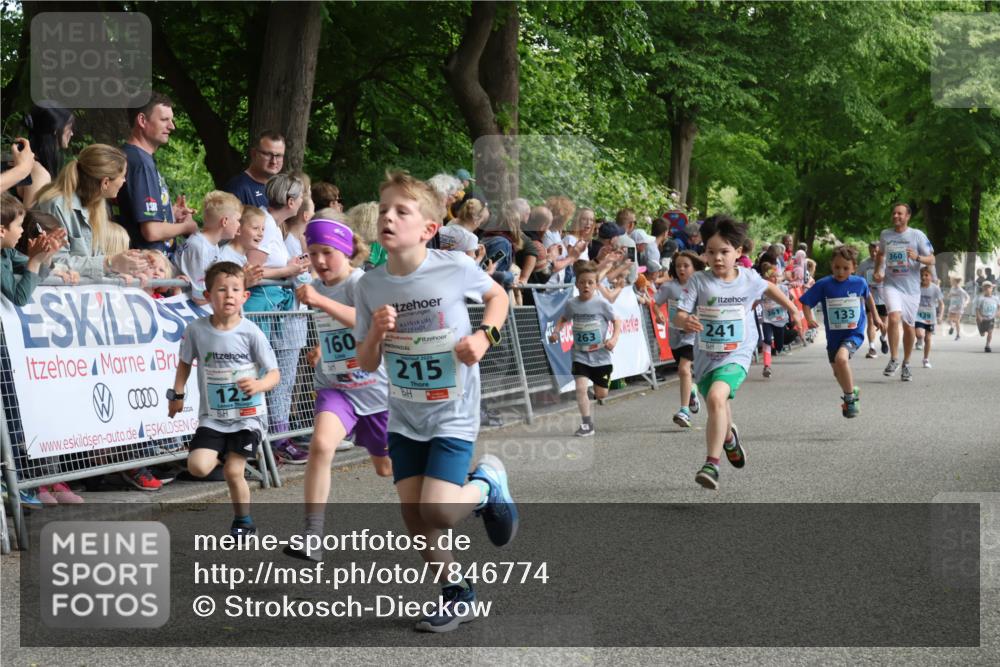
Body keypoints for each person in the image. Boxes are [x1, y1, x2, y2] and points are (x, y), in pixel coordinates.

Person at [355, 171, 516, 633]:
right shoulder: (369, 286)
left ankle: (487, 484)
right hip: (405, 415)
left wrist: (485, 336)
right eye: (384, 209)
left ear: (427, 228)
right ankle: (456, 593)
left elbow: (498, 296)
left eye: (401, 211)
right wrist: (376, 332)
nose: (388, 216)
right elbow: (367, 363)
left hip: (452, 409)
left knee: (439, 511)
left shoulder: (453, 266)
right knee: (414, 515)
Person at [284, 219, 392, 562]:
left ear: (346, 251)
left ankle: (472, 484)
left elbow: (369, 322)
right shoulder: (317, 286)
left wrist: (320, 301)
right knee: (320, 446)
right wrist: (322, 349)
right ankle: (312, 536)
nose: (319, 260)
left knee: (386, 469)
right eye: (312, 253)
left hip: (375, 391)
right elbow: (335, 330)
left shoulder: (361, 283)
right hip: (336, 387)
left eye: (327, 252)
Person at [674, 215, 800, 490]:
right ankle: (729, 438)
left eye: (724, 252)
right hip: (707, 355)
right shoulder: (699, 282)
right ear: (704, 253)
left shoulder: (748, 278)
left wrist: (793, 309)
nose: (717, 258)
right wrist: (686, 321)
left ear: (738, 252)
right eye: (711, 251)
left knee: (718, 397)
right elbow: (679, 315)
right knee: (716, 405)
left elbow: (769, 288)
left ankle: (712, 464)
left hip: (737, 353)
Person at [168, 262, 279, 537]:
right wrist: (177, 393)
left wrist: (258, 384)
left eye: (235, 290)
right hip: (213, 417)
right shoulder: (196, 329)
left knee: (233, 471)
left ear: (245, 296)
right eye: (221, 289)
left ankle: (244, 523)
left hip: (248, 417)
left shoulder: (251, 331)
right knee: (198, 466)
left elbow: (274, 373)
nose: (228, 295)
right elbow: (184, 363)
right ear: (207, 296)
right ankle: (222, 451)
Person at [244, 173, 312, 463]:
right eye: (300, 198)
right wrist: (287, 272)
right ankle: (268, 441)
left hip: (275, 310)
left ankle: (274, 439)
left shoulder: (275, 225)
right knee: (267, 375)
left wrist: (290, 267)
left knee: (276, 376)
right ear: (291, 201)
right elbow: (250, 270)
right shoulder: (267, 224)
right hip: (262, 309)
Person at [34, 144, 151, 281]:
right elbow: (55, 263)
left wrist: (120, 271)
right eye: (123, 176)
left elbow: (94, 264)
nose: (124, 181)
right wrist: (110, 263)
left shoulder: (97, 205)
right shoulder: (56, 205)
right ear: (106, 182)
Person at [798, 245, 883, 418]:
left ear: (854, 267)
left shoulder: (859, 282)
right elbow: (806, 302)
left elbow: (868, 298)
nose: (841, 271)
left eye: (845, 268)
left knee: (841, 359)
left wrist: (876, 317)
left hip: (853, 333)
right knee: (837, 372)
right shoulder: (824, 285)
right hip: (834, 336)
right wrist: (809, 318)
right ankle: (852, 389)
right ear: (831, 265)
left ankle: (850, 399)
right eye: (837, 267)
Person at [114, 93, 196, 256]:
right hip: (150, 265)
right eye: (164, 120)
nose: (172, 126)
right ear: (142, 120)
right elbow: (151, 231)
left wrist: (169, 214)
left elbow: (137, 215)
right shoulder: (141, 163)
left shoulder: (135, 157)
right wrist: (187, 227)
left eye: (171, 120)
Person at [548, 260, 621, 437]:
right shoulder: (572, 304)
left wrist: (614, 338)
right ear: (576, 284)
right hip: (579, 354)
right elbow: (564, 318)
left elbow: (617, 321)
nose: (586, 286)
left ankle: (600, 387)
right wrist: (557, 331)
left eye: (590, 282)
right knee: (580, 389)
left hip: (601, 356)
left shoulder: (602, 304)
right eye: (582, 282)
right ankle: (587, 425)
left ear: (596, 285)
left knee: (601, 394)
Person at [873, 203, 934, 382]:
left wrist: (917, 257)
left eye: (900, 213)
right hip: (891, 284)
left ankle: (906, 363)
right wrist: (878, 271)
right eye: (894, 213)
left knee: (909, 327)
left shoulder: (917, 235)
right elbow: (881, 254)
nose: (895, 216)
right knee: (893, 317)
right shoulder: (885, 234)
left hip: (912, 289)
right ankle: (894, 359)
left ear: (908, 216)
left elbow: (932, 258)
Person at [654, 250, 705, 427]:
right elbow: (655, 303)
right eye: (678, 266)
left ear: (695, 267)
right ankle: (691, 390)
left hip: (694, 336)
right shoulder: (669, 287)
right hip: (675, 336)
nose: (682, 269)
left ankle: (684, 411)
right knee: (684, 372)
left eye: (686, 265)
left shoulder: (701, 286)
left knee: (684, 369)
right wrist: (659, 313)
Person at [176, 191, 243, 298]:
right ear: (225, 221)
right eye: (238, 220)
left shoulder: (211, 244)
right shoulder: (199, 246)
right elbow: (198, 296)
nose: (239, 225)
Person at [1, 192, 62, 306]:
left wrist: (46, 254)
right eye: (19, 225)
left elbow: (36, 273)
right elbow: (19, 298)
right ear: (2, 231)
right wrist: (35, 261)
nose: (22, 230)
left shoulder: (6, 251)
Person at [17, 105, 74, 206]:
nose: (72, 133)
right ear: (56, 130)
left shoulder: (29, 161)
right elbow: (30, 218)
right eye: (69, 128)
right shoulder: (39, 173)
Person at [224, 131, 285, 209]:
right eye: (268, 154)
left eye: (279, 155)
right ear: (254, 154)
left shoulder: (280, 188)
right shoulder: (237, 188)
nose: (274, 161)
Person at [757, 261, 795, 377]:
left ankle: (775, 347)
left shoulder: (783, 288)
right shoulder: (762, 289)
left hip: (780, 319)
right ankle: (767, 366)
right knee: (767, 340)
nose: (773, 279)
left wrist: (792, 313)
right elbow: (755, 301)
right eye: (770, 277)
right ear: (766, 278)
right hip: (767, 319)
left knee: (779, 346)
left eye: (775, 277)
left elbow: (791, 300)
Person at [856, 242, 888, 358]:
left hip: (884, 297)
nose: (873, 253)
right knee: (870, 321)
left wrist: (882, 278)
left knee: (884, 324)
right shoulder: (864, 264)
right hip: (869, 297)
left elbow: (893, 277)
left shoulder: (886, 262)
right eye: (871, 251)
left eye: (876, 251)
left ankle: (883, 338)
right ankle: (872, 347)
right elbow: (858, 278)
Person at [914, 267, 944, 368]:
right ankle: (919, 340)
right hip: (918, 315)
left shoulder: (935, 288)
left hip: (930, 316)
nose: (923, 277)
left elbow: (941, 304)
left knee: (928, 338)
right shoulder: (916, 287)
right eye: (922, 275)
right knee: (919, 334)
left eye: (926, 275)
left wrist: (940, 315)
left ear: (931, 277)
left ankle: (926, 359)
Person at [945, 275, 971, 340]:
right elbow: (950, 295)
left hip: (959, 307)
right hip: (952, 306)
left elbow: (968, 297)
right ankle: (952, 327)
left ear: (955, 282)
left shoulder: (961, 290)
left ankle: (958, 335)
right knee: (949, 320)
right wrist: (948, 295)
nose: (950, 282)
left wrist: (966, 303)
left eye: (951, 281)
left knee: (957, 321)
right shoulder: (952, 288)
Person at [974, 281, 997, 352]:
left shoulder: (995, 298)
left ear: (992, 288)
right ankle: (980, 328)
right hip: (983, 318)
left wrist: (998, 312)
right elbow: (977, 309)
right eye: (985, 287)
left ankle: (987, 345)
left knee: (990, 331)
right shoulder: (981, 299)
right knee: (982, 334)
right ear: (983, 289)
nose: (987, 289)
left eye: (989, 287)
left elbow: (999, 307)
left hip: (991, 318)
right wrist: (979, 316)